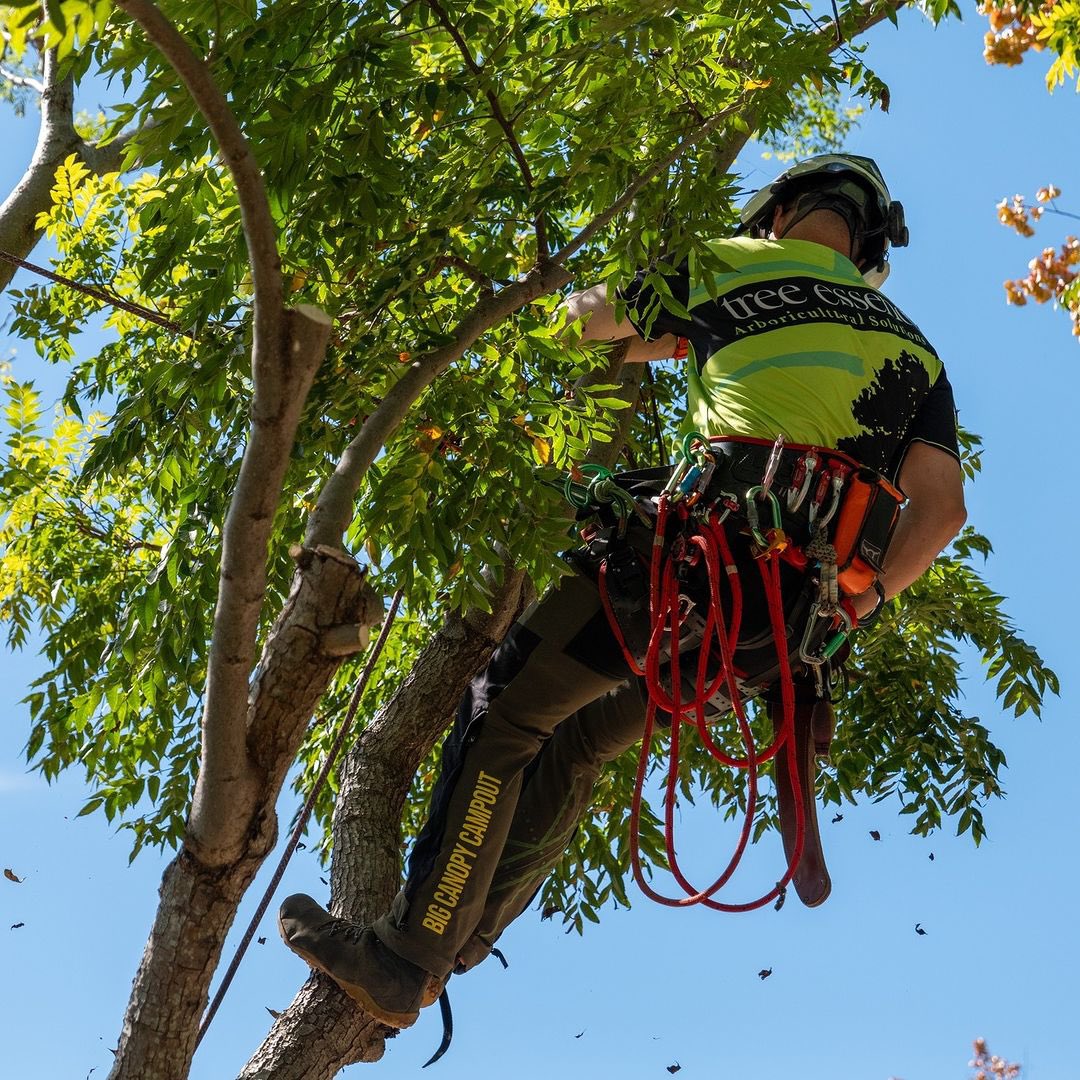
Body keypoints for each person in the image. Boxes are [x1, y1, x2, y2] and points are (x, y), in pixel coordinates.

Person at [278, 154, 967, 1029]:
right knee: (584, 738)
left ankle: (406, 955)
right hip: (780, 631)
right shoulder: (913, 346)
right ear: (866, 243)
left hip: (687, 572)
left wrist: (648, 315)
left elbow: (580, 324)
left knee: (505, 713)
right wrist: (847, 612)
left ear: (783, 209)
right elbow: (941, 513)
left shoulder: (727, 263)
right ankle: (460, 935)